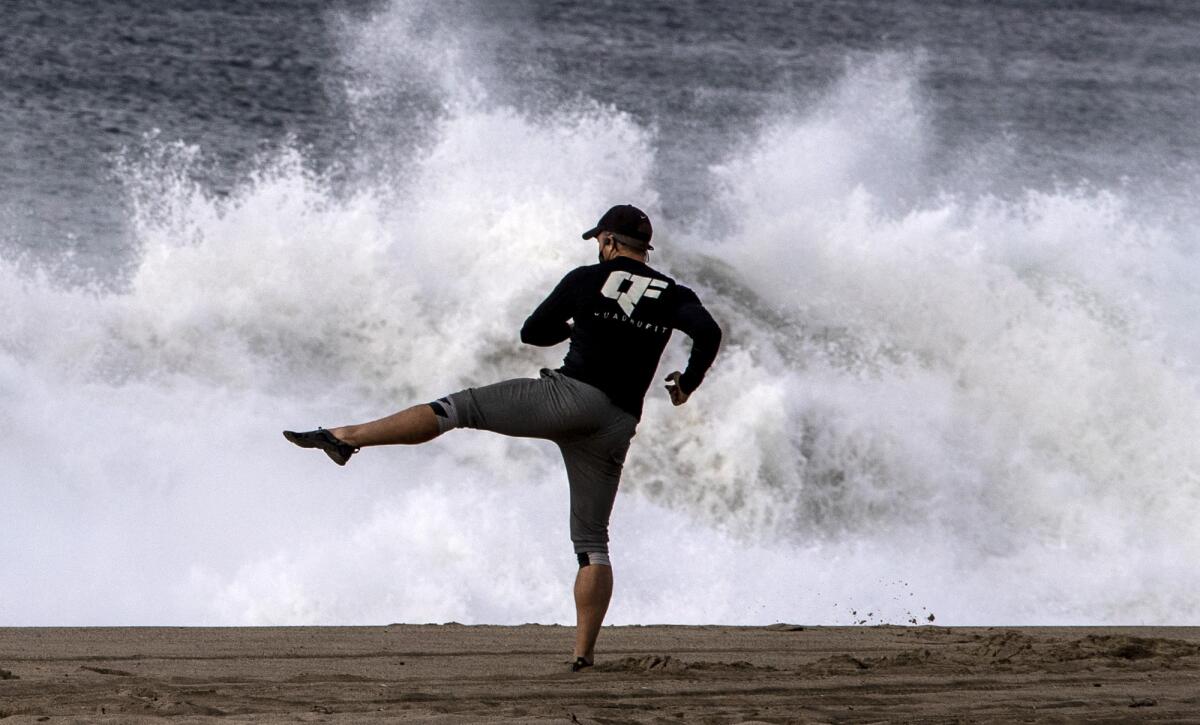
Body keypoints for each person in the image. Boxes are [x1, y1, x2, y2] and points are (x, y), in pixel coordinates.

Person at [284, 204, 722, 670]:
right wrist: (686, 383)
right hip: (616, 421)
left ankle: (346, 436)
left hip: (567, 398)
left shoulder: (585, 280)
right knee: (593, 542)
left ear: (610, 243)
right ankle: (583, 655)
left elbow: (532, 333)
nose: (599, 248)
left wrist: (577, 325)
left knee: (459, 408)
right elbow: (708, 331)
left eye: (600, 241)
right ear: (644, 248)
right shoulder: (674, 293)